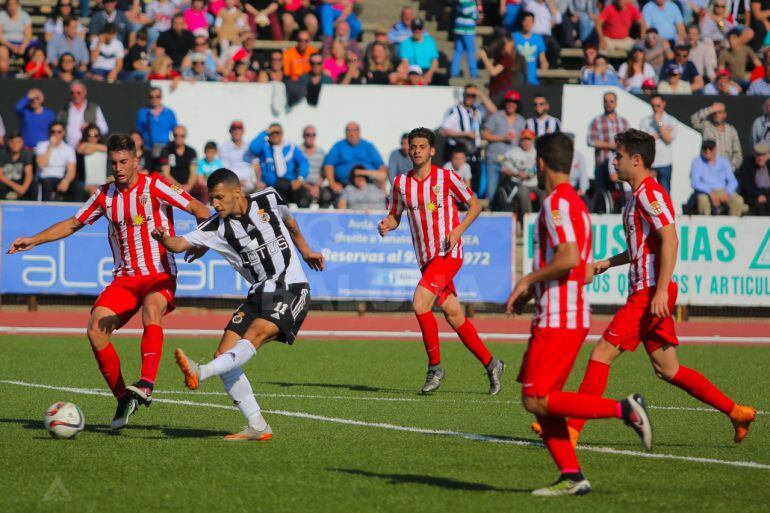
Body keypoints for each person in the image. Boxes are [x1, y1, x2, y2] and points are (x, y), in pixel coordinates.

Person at [540, 130, 755, 451]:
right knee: (668, 369)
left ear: (636, 160)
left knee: (601, 354)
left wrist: (659, 291)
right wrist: (605, 263)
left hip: (649, 292)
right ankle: (737, 412)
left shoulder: (649, 194)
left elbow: (670, 238)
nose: (615, 161)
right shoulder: (636, 198)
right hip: (649, 291)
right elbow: (643, 248)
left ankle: (570, 430)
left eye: (619, 155)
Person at [8, 133, 211, 430]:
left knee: (151, 311)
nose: (118, 167)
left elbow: (200, 209)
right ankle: (122, 398)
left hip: (159, 272)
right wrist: (35, 240)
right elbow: (72, 223)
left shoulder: (155, 185)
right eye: (113, 162)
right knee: (95, 330)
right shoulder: (105, 195)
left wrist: (199, 242)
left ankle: (147, 382)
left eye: (123, 162)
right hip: (125, 279)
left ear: (136, 161)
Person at [506, 132, 653, 497]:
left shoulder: (556, 203)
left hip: (560, 316)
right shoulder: (574, 203)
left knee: (536, 397)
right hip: (561, 312)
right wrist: (535, 289)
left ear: (540, 163)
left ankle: (625, 409)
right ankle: (572, 475)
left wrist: (528, 279)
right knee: (541, 403)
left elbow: (569, 257)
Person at [154, 169, 324, 440]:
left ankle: (201, 372)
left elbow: (290, 223)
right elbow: (178, 244)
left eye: (220, 198)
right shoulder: (215, 226)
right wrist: (164, 239)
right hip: (258, 293)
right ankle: (257, 425)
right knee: (224, 353)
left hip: (291, 287)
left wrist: (305, 251)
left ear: (237, 193)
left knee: (254, 334)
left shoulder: (268, 197)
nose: (215, 204)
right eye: (212, 199)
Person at [378, 127, 505, 395]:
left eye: (422, 146)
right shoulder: (401, 183)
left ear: (432, 151)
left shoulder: (446, 177)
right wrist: (387, 224)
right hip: (425, 258)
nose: (416, 150)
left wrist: (458, 231)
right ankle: (492, 363)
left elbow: (475, 205)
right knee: (454, 313)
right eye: (413, 146)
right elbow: (395, 215)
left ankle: (435, 368)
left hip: (448, 253)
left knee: (420, 302)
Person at [440, 84, 496, 192]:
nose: (470, 97)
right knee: (457, 184)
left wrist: (480, 94)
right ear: (463, 95)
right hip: (459, 151)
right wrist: (465, 134)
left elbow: (493, 111)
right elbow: (444, 130)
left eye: (473, 95)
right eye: (468, 94)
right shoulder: (455, 110)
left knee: (474, 182)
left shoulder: (477, 109)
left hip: (475, 151)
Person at [248, 123, 310, 206]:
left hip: (289, 183)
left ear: (282, 134)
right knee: (282, 204)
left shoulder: (290, 146)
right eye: (272, 133)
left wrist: (300, 178)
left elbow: (303, 162)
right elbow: (253, 148)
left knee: (304, 199)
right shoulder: (265, 146)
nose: (275, 135)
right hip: (273, 185)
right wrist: (265, 132)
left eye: (278, 132)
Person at [587, 91, 629, 213]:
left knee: (621, 193)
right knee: (602, 193)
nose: (608, 104)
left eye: (611, 101)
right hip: (602, 164)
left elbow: (629, 141)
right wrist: (611, 145)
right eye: (606, 101)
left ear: (616, 103)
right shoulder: (597, 121)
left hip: (619, 165)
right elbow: (591, 141)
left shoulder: (623, 122)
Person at [323, 122, 387, 199]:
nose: (352, 133)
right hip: (344, 185)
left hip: (368, 184)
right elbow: (328, 165)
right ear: (345, 133)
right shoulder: (338, 146)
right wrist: (333, 184)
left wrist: (382, 184)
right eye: (349, 130)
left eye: (354, 130)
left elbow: (381, 167)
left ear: (359, 132)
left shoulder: (368, 146)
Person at [482, 90, 525, 200]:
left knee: (510, 194)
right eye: (509, 101)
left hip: (512, 163)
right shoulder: (496, 116)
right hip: (495, 160)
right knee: (491, 192)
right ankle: (490, 213)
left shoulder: (521, 120)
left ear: (517, 104)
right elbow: (485, 134)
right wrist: (502, 138)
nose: (511, 104)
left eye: (514, 102)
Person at [690, 139, 746, 216]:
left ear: (715, 149)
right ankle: (706, 223)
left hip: (722, 190)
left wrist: (727, 193)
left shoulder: (723, 161)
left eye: (710, 149)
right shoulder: (697, 162)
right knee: (702, 199)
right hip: (705, 191)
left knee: (738, 200)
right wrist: (710, 193)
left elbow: (732, 181)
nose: (707, 151)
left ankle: (732, 223)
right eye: (705, 149)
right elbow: (695, 182)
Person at [35, 121, 84, 202]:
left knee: (77, 186)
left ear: (63, 133)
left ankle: (78, 212)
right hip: (44, 177)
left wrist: (66, 181)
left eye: (59, 132)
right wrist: (50, 146)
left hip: (60, 178)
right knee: (47, 184)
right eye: (53, 131)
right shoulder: (41, 145)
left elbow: (71, 170)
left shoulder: (69, 149)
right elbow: (41, 164)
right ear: (49, 132)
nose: (56, 134)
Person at [639, 95, 677, 192]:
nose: (655, 108)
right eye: (653, 106)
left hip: (665, 162)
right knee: (647, 192)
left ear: (664, 104)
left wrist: (659, 123)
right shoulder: (645, 121)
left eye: (658, 105)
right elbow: (645, 141)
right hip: (650, 162)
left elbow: (668, 138)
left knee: (664, 193)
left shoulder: (671, 120)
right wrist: (662, 132)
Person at [499, 128, 542, 213]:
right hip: (520, 184)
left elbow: (543, 167)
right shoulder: (512, 153)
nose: (526, 142)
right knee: (523, 194)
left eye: (528, 139)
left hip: (536, 183)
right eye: (524, 139)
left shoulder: (538, 152)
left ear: (533, 140)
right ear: (520, 141)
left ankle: (542, 217)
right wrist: (517, 173)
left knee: (545, 193)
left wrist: (534, 172)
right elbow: (504, 169)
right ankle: (528, 218)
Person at [135, 86, 178, 171]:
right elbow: (138, 132)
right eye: (151, 97)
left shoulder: (169, 113)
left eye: (157, 96)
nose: (154, 99)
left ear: (161, 97)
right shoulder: (142, 113)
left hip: (165, 149)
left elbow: (175, 131)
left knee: (164, 175)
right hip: (148, 150)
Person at [690, 102, 742, 172]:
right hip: (708, 170)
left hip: (726, 171)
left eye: (719, 112)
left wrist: (730, 168)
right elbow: (694, 119)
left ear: (725, 115)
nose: (717, 115)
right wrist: (711, 109)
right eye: (715, 113)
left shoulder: (731, 130)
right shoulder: (706, 126)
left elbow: (737, 153)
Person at [58, 81, 109, 148]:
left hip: (87, 148)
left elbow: (104, 129)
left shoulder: (93, 108)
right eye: (72, 93)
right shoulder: (65, 109)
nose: (75, 95)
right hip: (68, 148)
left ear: (85, 92)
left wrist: (90, 127)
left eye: (78, 92)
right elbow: (58, 127)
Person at [478, 33, 528, 99]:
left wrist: (484, 57)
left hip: (504, 94)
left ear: (512, 43)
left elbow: (493, 72)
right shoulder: (500, 56)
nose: (504, 45)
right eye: (502, 43)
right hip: (496, 92)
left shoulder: (508, 58)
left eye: (505, 43)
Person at [161, 125, 203, 199]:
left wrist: (188, 187)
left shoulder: (191, 151)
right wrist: (179, 188)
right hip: (172, 186)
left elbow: (193, 173)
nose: (179, 137)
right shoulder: (166, 151)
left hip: (188, 186)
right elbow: (166, 174)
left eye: (182, 135)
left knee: (202, 189)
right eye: (176, 135)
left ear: (185, 136)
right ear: (173, 136)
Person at [300, 124, 333, 207]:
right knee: (304, 199)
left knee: (327, 197)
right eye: (308, 134)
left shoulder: (321, 153)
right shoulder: (298, 152)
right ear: (303, 136)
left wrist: (316, 186)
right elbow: (294, 174)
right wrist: (309, 187)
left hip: (317, 185)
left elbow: (324, 173)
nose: (311, 137)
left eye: (313, 135)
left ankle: (325, 219)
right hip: (302, 185)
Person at [398, 18, 439, 85]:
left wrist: (428, 75)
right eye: (414, 28)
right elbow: (405, 63)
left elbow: (435, 62)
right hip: (412, 70)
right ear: (411, 29)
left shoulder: (430, 41)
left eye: (419, 28)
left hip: (427, 70)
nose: (417, 30)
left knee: (442, 79)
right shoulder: (405, 43)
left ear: (422, 29)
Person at [220, 120, 257, 193]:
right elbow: (225, 169)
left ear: (243, 131)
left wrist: (258, 181)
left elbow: (256, 164)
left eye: (239, 128)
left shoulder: (249, 146)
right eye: (234, 129)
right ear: (230, 131)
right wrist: (237, 181)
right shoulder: (224, 147)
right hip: (234, 182)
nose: (236, 131)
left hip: (250, 181)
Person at [513, 11, 548, 85]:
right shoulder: (514, 37)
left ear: (533, 23)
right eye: (525, 21)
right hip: (517, 80)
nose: (527, 24)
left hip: (532, 81)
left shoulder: (538, 39)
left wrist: (544, 66)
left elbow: (543, 59)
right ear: (521, 22)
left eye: (530, 21)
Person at [0, 130, 34, 200]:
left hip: (20, 182)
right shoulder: (2, 154)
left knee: (34, 185)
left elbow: (29, 174)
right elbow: (0, 176)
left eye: (18, 142)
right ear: (9, 143)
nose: (15, 145)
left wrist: (24, 188)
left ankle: (32, 208)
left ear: (22, 143)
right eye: (13, 142)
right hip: (7, 182)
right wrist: (15, 186)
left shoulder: (26, 154)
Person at [739, 142, 770, 215]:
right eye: (758, 155)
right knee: (758, 206)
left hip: (767, 195)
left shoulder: (768, 165)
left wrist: (765, 196)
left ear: (768, 155)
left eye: (763, 155)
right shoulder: (747, 164)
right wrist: (758, 195)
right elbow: (746, 185)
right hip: (752, 196)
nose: (760, 158)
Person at [450, 0, 479, 79]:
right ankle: (473, 72)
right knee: (470, 50)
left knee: (458, 50)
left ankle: (454, 71)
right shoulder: (468, 1)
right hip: (467, 29)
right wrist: (476, 16)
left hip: (459, 27)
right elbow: (467, 11)